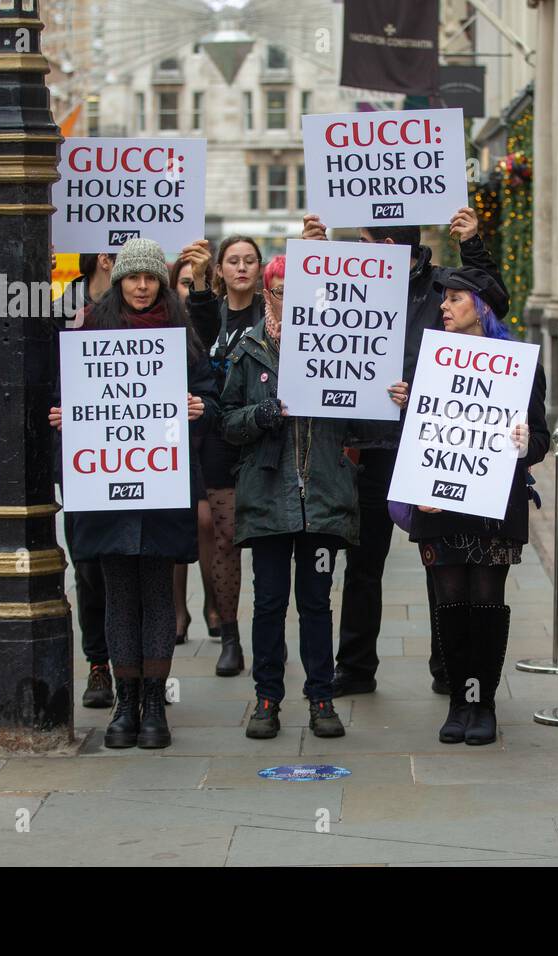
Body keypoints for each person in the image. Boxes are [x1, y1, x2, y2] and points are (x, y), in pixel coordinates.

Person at [300, 208, 508, 699]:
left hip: (433, 440)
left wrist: (474, 244)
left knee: (443, 561)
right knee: (363, 561)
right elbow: (315, 324)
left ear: (390, 243)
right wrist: (316, 250)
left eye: (366, 241)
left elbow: (491, 297)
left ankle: (447, 664)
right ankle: (354, 666)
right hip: (370, 442)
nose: (360, 251)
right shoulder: (353, 278)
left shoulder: (441, 286)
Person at [49, 238, 218, 749]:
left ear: (160, 282)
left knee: (157, 593)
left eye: (150, 278)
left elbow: (209, 390)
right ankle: (125, 703)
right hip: (107, 490)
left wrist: (198, 407)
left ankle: (153, 706)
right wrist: (62, 418)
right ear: (119, 280)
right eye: (132, 278)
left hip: (162, 486)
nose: (142, 287)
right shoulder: (90, 332)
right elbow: (70, 398)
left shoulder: (179, 334)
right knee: (118, 592)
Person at [390, 266, 549, 746]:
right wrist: (419, 483)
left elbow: (539, 436)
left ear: (480, 306)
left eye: (455, 298)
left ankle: (484, 704)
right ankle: (460, 701)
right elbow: (419, 439)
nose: (444, 306)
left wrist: (524, 444)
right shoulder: (434, 362)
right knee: (451, 604)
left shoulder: (519, 364)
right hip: (440, 506)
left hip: (492, 506)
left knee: (486, 602)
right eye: (444, 298)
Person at [222, 255, 370, 740]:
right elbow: (226, 422)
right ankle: (267, 698)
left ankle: (321, 697)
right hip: (268, 497)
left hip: (322, 497)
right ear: (268, 294)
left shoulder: (338, 346)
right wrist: (259, 416)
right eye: (282, 290)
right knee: (268, 602)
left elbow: (360, 423)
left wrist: (386, 397)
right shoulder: (250, 350)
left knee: (316, 602)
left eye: (300, 291)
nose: (290, 299)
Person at [179, 235, 264, 677]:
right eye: (233, 261)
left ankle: (269, 637)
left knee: (269, 541)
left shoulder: (271, 314)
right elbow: (198, 321)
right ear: (222, 269)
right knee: (225, 538)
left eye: (250, 260)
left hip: (264, 435)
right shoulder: (209, 313)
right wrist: (196, 279)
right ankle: (229, 635)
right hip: (217, 437)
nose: (242, 268)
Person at [61, 252, 116, 709]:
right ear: (105, 259)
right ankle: (98, 663)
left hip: (135, 461)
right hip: (84, 461)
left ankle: (135, 666)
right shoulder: (62, 308)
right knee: (88, 566)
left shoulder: (139, 311)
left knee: (131, 567)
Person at [168, 253, 219, 645]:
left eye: (195, 283)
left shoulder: (201, 323)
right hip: (171, 443)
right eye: (183, 283)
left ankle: (214, 604)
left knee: (207, 522)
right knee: (179, 520)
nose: (189, 290)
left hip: (208, 436)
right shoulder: (163, 324)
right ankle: (177, 610)